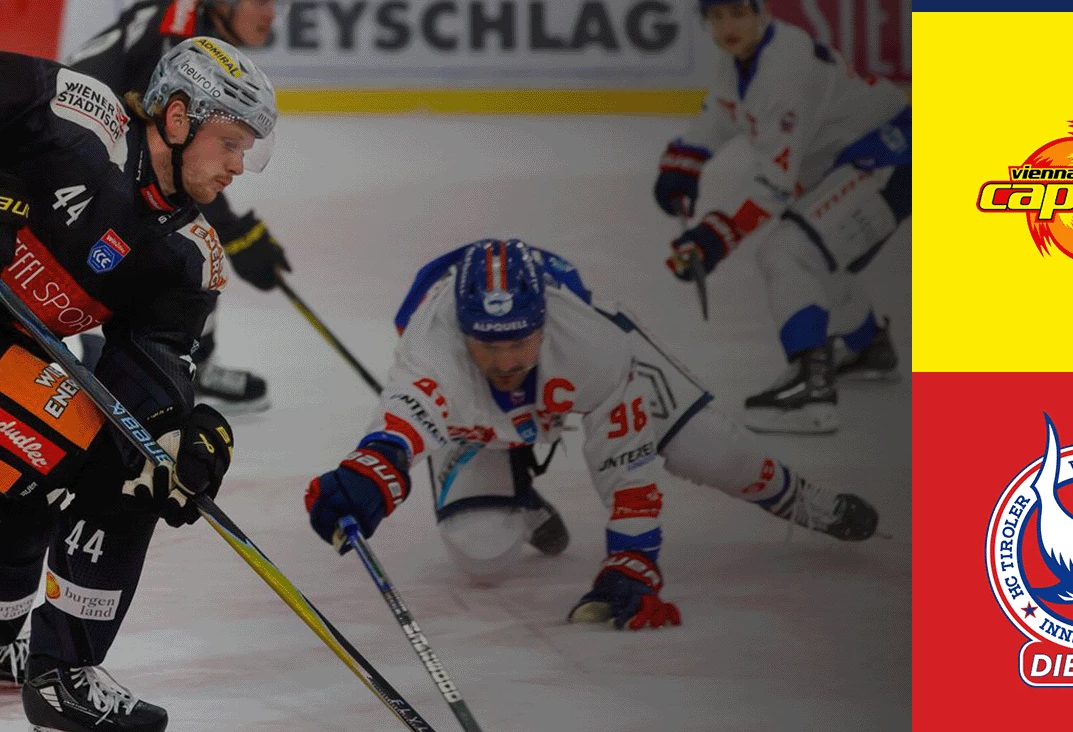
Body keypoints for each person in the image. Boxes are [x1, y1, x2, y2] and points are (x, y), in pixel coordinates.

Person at [0, 38, 276, 729]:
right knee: (111, 473)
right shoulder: (80, 114)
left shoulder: (190, 255)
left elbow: (148, 368)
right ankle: (64, 675)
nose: (238, 165)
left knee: (74, 479)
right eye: (229, 142)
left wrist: (179, 435)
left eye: (247, 149)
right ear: (178, 117)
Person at [305, 238, 879, 630]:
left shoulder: (595, 343)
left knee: (713, 452)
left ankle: (808, 501)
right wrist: (368, 477)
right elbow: (400, 424)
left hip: (585, 376)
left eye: (519, 341)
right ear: (462, 331)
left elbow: (626, 460)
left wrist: (633, 561)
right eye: (488, 344)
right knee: (481, 557)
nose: (505, 362)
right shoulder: (434, 343)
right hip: (476, 417)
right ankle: (517, 487)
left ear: (544, 323)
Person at [656, 0, 909, 434]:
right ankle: (866, 346)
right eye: (716, 15)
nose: (727, 26)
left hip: (888, 158)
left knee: (789, 252)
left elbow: (774, 184)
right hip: (864, 159)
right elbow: (722, 113)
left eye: (738, 12)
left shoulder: (784, 70)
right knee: (818, 253)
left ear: (763, 9)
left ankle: (811, 390)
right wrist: (683, 162)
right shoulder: (744, 58)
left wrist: (713, 238)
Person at [66, 0, 287, 412]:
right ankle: (114, 358)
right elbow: (184, 160)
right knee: (166, 236)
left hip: (108, 146)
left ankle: (184, 361)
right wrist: (237, 234)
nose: (271, 12)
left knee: (185, 235)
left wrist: (236, 233)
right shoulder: (184, 47)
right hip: (84, 152)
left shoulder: (198, 31)